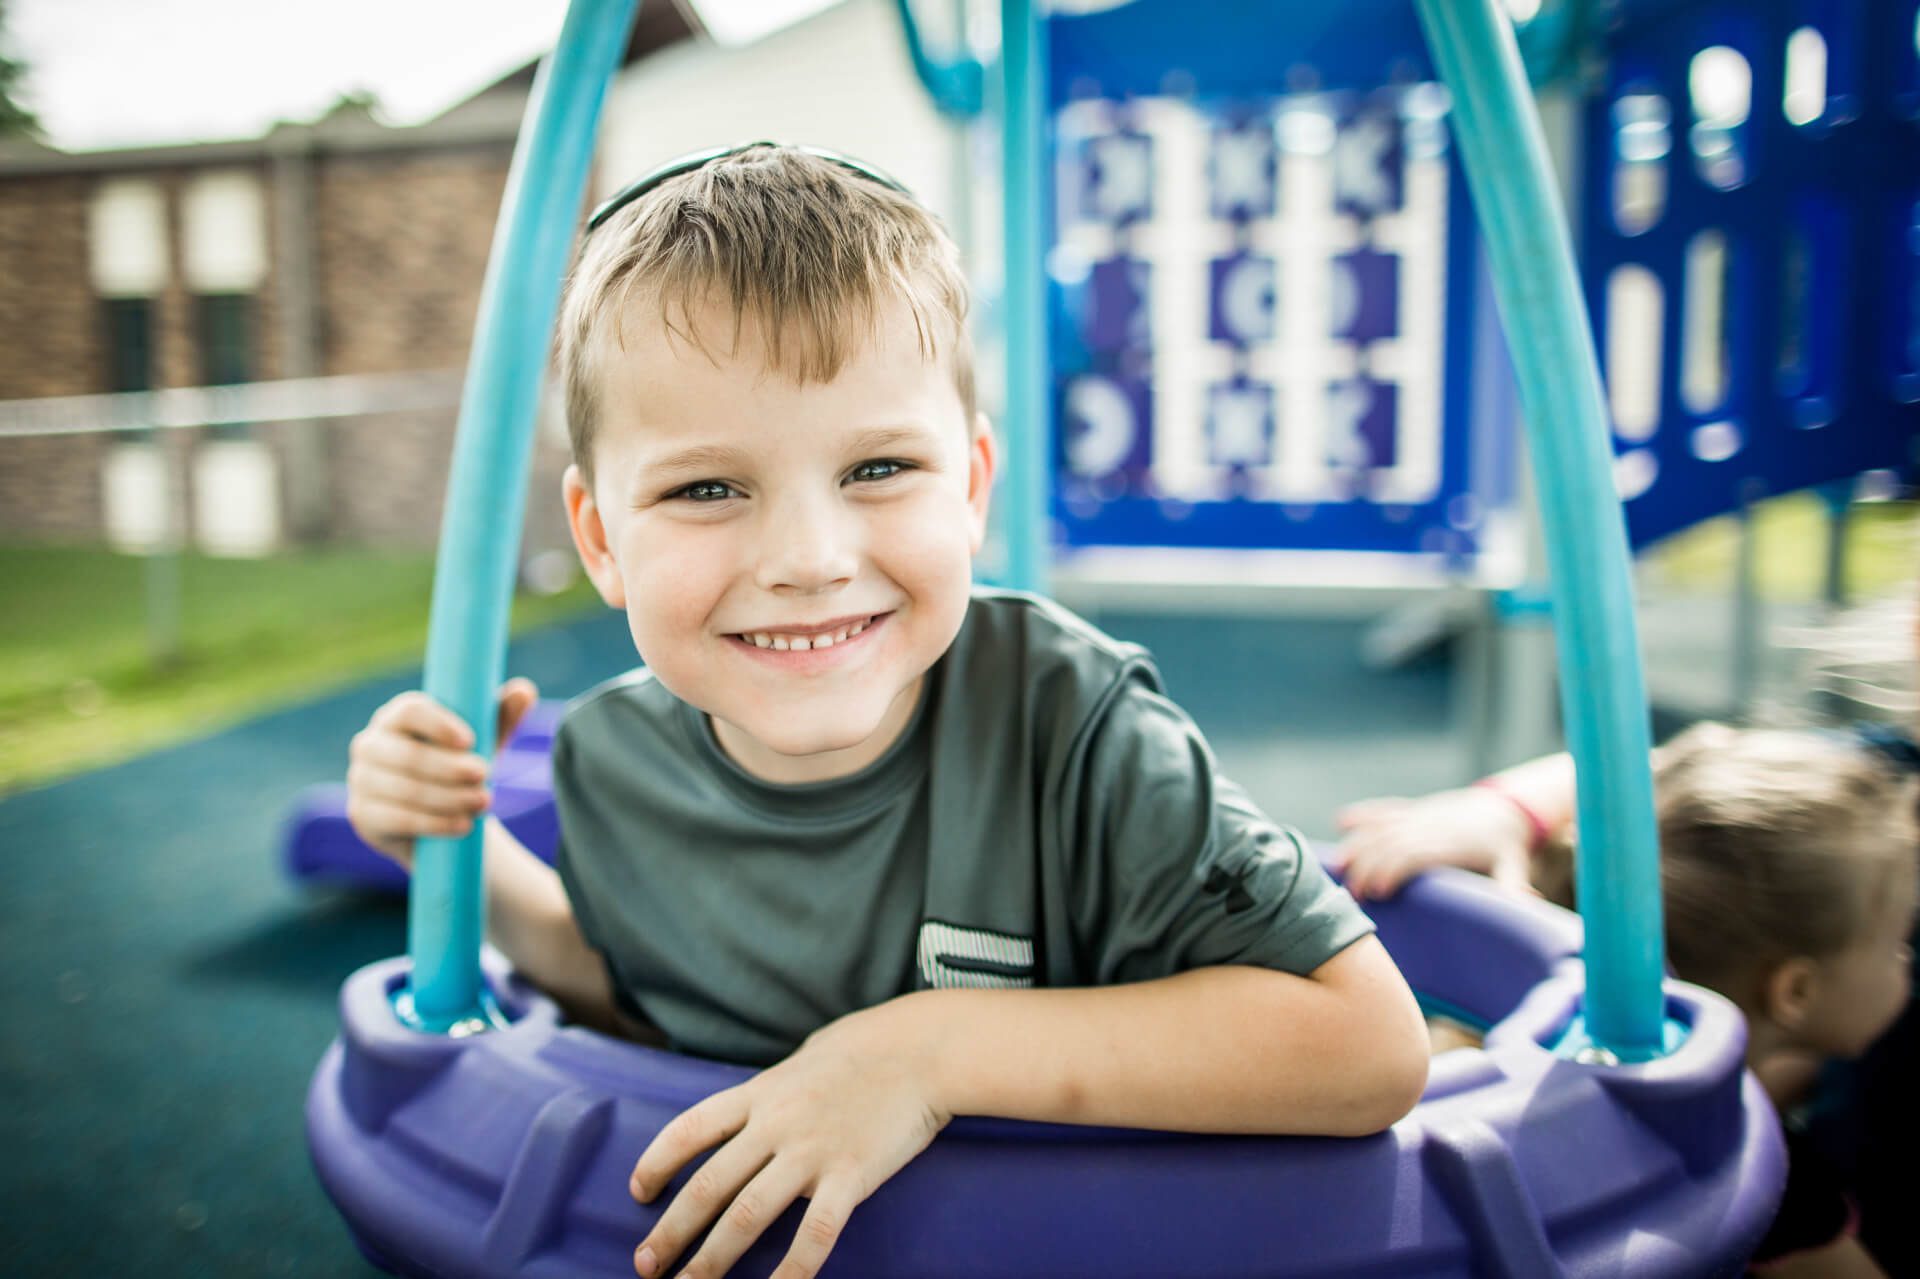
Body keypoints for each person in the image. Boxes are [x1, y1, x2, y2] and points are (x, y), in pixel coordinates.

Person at [345, 143, 1430, 1279]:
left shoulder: (1074, 725)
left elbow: (1365, 1045)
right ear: (602, 536)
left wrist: (925, 1054)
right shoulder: (615, 761)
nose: (810, 559)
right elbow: (628, 985)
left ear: (968, 487)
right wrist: (450, 848)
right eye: (707, 488)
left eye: (877, 469)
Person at [1335, 720, 1919, 1277]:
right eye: (1897, 941)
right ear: (1795, 991)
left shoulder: (1561, 1092)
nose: (1908, 962)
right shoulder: (1755, 1168)